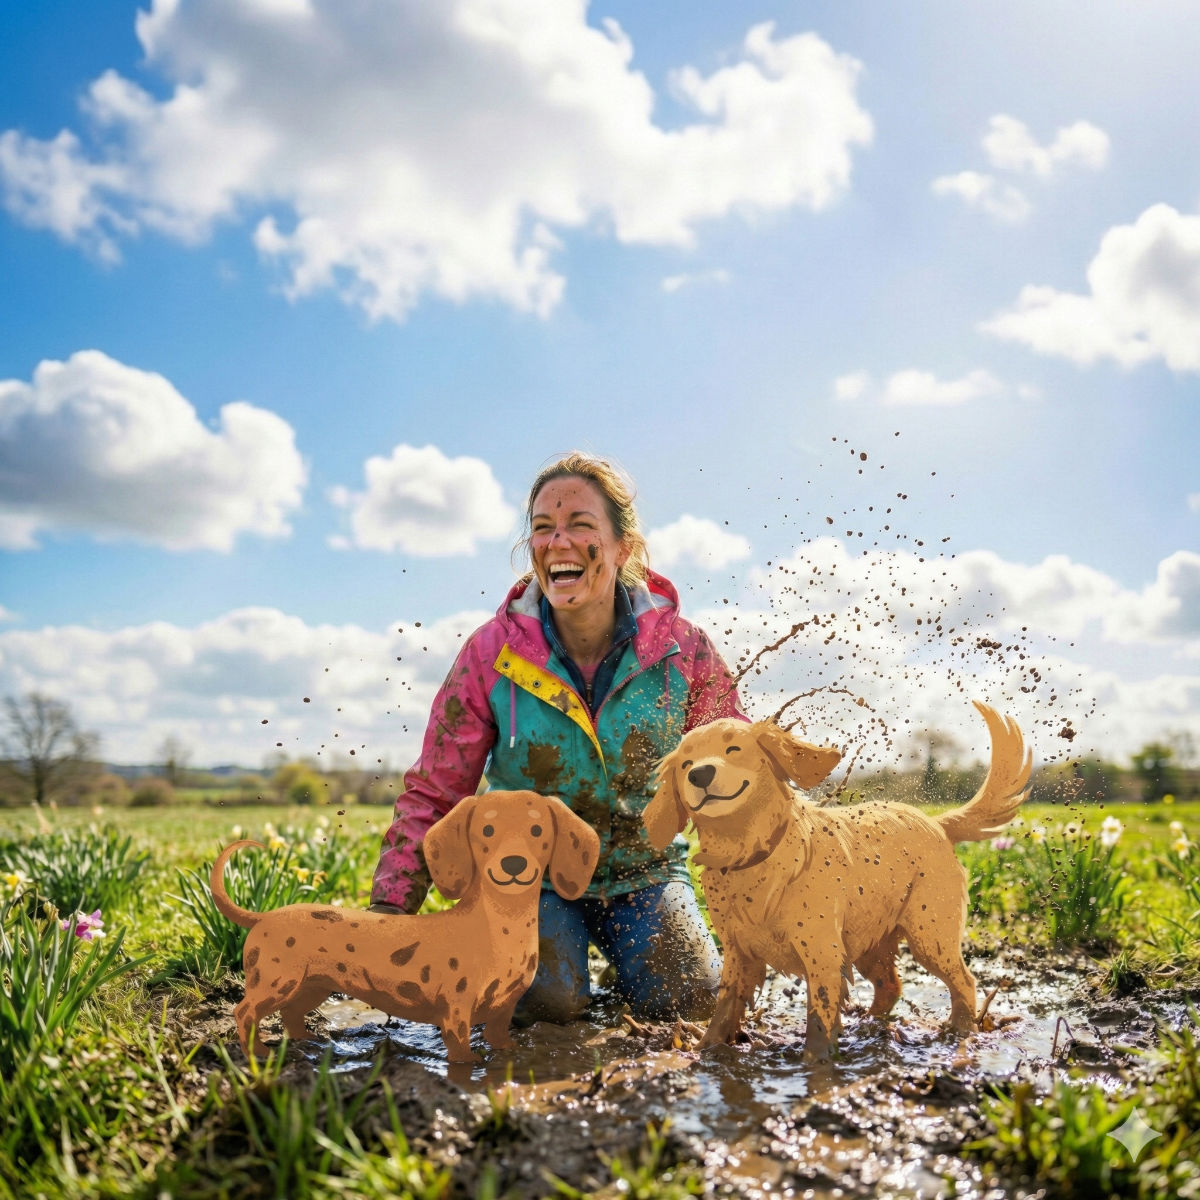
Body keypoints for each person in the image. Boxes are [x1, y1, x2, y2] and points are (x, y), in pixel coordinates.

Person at [370, 451, 747, 1022]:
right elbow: (435, 792)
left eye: (580, 526)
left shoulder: (684, 652)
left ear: (623, 548)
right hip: (525, 880)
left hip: (644, 874)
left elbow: (740, 777)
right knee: (543, 1001)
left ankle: (634, 981)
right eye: (542, 529)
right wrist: (389, 914)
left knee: (692, 1000)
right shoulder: (490, 654)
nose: (558, 542)